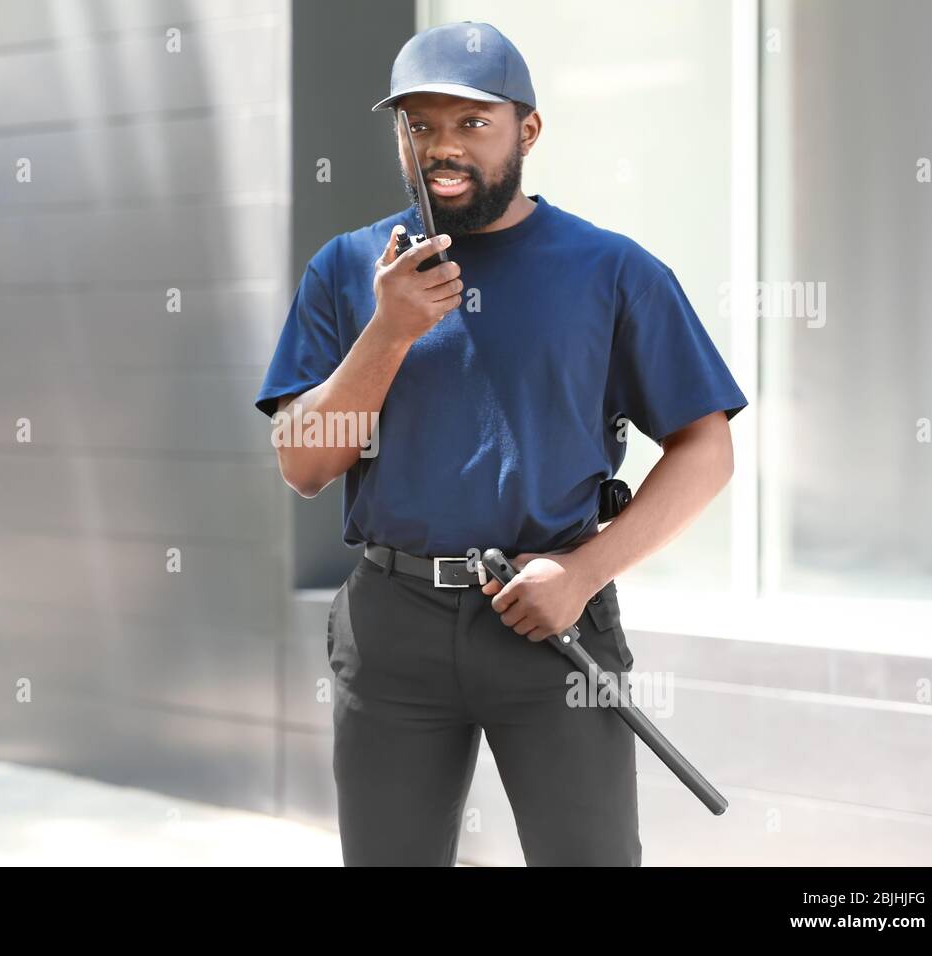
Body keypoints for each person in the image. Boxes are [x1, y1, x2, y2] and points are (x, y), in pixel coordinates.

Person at [253, 21, 748, 866]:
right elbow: (304, 466)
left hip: (550, 620)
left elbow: (707, 451)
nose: (443, 147)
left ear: (528, 130)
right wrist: (389, 331)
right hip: (393, 623)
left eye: (471, 124)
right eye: (420, 125)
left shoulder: (612, 271)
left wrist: (585, 571)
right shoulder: (348, 268)